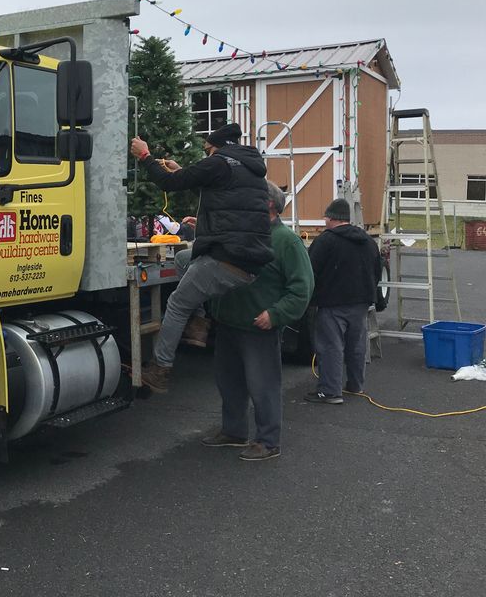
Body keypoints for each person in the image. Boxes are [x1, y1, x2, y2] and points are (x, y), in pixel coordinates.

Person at [130, 123, 274, 393]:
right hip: (249, 255)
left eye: (207, 150)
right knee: (185, 258)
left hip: (228, 256)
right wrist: (183, 171)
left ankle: (160, 369)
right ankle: (198, 324)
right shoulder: (247, 167)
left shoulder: (218, 162)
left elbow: (169, 183)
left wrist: (145, 156)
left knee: (176, 304)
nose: (206, 155)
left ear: (216, 147)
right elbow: (225, 197)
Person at [204, 181, 314, 461]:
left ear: (267, 205)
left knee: (263, 386)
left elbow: (302, 288)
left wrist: (276, 314)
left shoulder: (286, 241)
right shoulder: (242, 235)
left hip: (257, 327)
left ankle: (268, 441)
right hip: (228, 323)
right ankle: (234, 431)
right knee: (228, 383)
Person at [305, 198, 382, 404]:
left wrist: (308, 299)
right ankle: (355, 385)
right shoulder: (368, 241)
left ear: (331, 218)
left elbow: (310, 271)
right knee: (356, 345)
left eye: (325, 218)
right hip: (361, 303)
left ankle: (330, 391)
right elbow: (377, 271)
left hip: (332, 303)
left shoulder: (326, 240)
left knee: (331, 346)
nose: (324, 221)